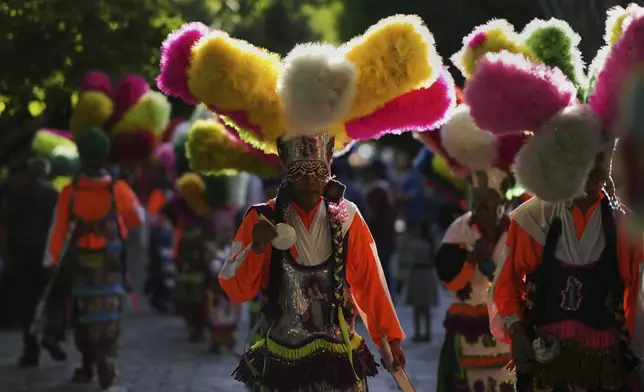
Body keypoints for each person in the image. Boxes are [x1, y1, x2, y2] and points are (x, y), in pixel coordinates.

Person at [158, 13, 456, 391]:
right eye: (303, 175)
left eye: (319, 174)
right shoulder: (261, 217)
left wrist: (389, 337)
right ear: (285, 171)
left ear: (330, 170)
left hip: (339, 353)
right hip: (280, 353)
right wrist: (257, 245)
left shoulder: (348, 216)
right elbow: (234, 287)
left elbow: (369, 283)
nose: (312, 183)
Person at [460, 12, 644, 391]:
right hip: (547, 362)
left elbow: (634, 300)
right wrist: (519, 334)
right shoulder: (532, 218)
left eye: (601, 159)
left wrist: (634, 361)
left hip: (606, 368)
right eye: (584, 158)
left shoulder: (625, 226)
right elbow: (506, 287)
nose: (593, 170)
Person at [44, 127, 144, 389]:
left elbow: (58, 230)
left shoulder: (70, 192)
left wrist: (51, 260)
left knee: (82, 313)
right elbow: (137, 218)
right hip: (111, 265)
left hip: (82, 265)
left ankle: (88, 362)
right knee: (110, 311)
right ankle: (107, 356)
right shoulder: (118, 189)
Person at [0, 156, 60, 366]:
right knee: (52, 298)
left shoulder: (14, 194)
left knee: (26, 302)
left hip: (20, 254)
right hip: (45, 253)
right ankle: (51, 334)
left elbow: (5, 224)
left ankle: (30, 349)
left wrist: (7, 253)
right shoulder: (53, 193)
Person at [206, 207, 240, 354]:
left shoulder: (235, 249)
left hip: (229, 292)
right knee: (216, 316)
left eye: (228, 230)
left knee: (229, 317)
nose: (225, 234)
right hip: (217, 291)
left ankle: (227, 338)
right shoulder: (212, 250)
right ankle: (217, 341)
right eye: (222, 231)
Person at [364, 159, 397, 292]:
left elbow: (371, 214)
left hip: (378, 236)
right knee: (385, 267)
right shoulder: (386, 187)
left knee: (379, 268)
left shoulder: (376, 189)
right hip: (388, 236)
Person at [401, 223, 438, 342]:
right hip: (428, 274)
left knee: (417, 306)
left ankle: (418, 333)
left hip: (418, 274)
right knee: (425, 307)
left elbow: (406, 249)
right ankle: (427, 333)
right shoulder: (431, 243)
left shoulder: (417, 244)